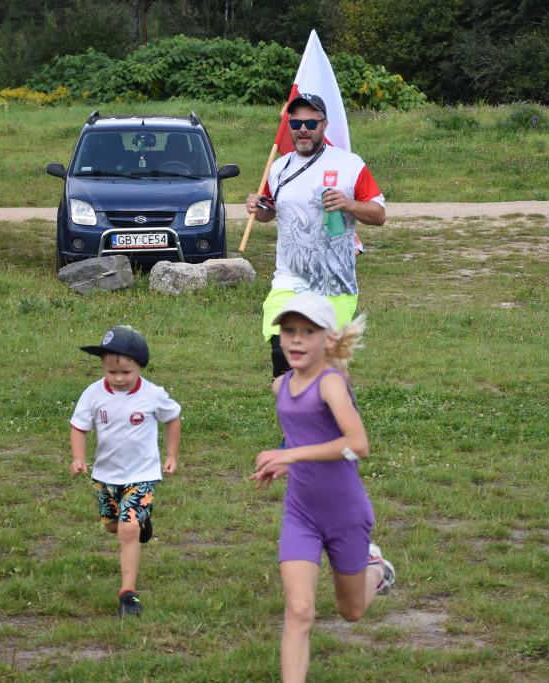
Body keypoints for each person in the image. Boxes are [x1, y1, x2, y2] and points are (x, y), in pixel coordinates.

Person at [249, 292, 395, 683]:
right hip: (301, 513)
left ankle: (376, 568)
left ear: (328, 340)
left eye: (308, 332)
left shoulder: (332, 383)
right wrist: (284, 464)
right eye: (289, 330)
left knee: (352, 612)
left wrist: (291, 457)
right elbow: (303, 437)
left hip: (345, 512)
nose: (296, 339)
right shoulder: (282, 388)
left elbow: (358, 445)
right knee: (299, 610)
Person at [246, 92, 387, 379]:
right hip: (288, 279)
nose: (303, 130)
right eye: (296, 123)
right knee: (283, 356)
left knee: (324, 367)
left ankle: (333, 415)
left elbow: (379, 214)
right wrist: (256, 207)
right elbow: (268, 212)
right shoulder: (278, 168)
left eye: (310, 123)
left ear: (324, 125)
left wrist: (348, 203)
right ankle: (293, 418)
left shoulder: (349, 164)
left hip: (334, 282)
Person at [69, 325, 181, 618]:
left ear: (140, 367)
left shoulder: (152, 394)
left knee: (127, 531)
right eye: (111, 372)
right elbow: (79, 426)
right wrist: (78, 457)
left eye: (126, 373)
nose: (118, 379)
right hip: (105, 476)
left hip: (142, 475)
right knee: (112, 527)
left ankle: (128, 595)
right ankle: (142, 522)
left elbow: (173, 417)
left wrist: (171, 455)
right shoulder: (93, 394)